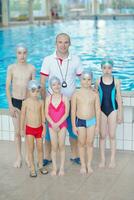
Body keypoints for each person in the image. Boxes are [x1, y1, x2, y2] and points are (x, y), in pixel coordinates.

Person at [40, 33, 83, 166]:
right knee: (48, 132)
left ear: (69, 44)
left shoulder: (75, 59)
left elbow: (83, 80)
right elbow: (42, 83)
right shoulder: (48, 60)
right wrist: (45, 102)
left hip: (71, 102)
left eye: (66, 42)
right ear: (56, 43)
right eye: (60, 42)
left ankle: (75, 155)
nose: (63, 45)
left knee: (73, 130)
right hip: (53, 104)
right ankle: (47, 157)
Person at [6, 44, 35, 168]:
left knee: (28, 132)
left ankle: (29, 157)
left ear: (27, 54)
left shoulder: (31, 68)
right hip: (16, 103)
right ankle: (19, 157)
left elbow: (33, 87)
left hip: (27, 103)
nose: (22, 55)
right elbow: (7, 87)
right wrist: (10, 106)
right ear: (16, 54)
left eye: (24, 53)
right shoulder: (11, 68)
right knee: (17, 132)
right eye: (19, 53)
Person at [71, 70, 100, 174]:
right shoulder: (76, 94)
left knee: (90, 143)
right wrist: (74, 126)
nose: (86, 82)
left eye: (89, 79)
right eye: (84, 79)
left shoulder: (95, 95)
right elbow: (73, 111)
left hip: (92, 121)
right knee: (81, 143)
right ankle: (83, 165)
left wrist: (97, 126)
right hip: (80, 122)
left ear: (91, 80)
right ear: (80, 80)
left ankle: (89, 165)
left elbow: (97, 110)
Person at [96, 58, 123, 168]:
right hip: (101, 111)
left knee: (112, 135)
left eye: (109, 68)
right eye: (104, 68)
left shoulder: (116, 81)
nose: (107, 70)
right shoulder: (98, 81)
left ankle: (112, 159)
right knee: (102, 136)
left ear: (112, 68)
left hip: (113, 110)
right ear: (101, 68)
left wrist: (120, 114)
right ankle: (102, 160)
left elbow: (119, 98)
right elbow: (95, 98)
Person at [20, 80, 48, 177]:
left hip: (39, 128)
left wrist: (44, 129)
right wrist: (21, 129)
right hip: (30, 129)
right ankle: (32, 168)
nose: (35, 93)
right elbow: (22, 116)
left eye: (37, 91)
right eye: (33, 91)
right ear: (29, 91)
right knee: (31, 149)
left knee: (40, 149)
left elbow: (43, 116)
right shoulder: (26, 102)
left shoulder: (41, 102)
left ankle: (40, 166)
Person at [45, 76, 69, 176]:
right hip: (52, 125)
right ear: (51, 86)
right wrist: (53, 124)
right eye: (54, 85)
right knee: (54, 147)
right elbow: (46, 114)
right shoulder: (48, 98)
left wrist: (58, 124)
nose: (57, 86)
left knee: (62, 145)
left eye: (58, 84)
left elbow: (66, 113)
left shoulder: (65, 98)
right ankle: (55, 168)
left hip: (62, 124)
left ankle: (62, 168)